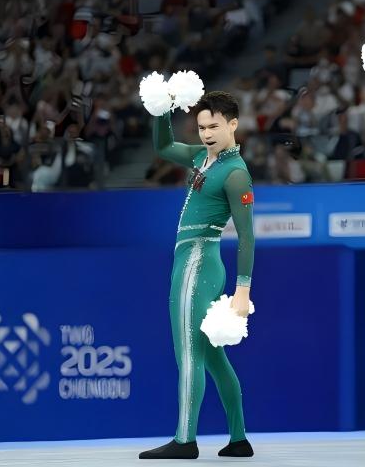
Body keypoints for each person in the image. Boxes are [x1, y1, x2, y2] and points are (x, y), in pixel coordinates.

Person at [139, 91, 255, 460]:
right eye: (202, 127)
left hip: (198, 264)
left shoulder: (235, 174)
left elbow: (247, 236)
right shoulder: (201, 158)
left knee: (188, 353)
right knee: (214, 357)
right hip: (195, 263)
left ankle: (185, 439)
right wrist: (162, 109)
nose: (206, 134)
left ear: (233, 124)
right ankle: (239, 439)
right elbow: (162, 146)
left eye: (214, 127)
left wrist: (243, 290)